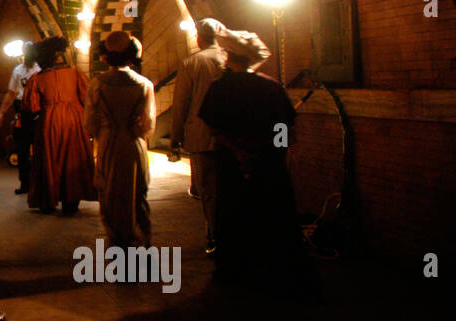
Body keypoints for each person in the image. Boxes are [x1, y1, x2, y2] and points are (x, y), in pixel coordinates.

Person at [198, 37, 319, 298]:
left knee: (234, 214)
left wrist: (241, 153)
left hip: (232, 163)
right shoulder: (271, 88)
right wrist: (267, 152)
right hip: (268, 164)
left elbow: (214, 127)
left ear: (230, 58)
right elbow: (284, 129)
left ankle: (237, 270)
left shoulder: (220, 88)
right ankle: (276, 269)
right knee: (272, 214)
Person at [84, 31, 156, 247]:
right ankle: (142, 243)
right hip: (134, 144)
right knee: (137, 195)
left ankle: (118, 245)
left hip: (109, 143)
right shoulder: (144, 84)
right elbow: (149, 123)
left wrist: (100, 134)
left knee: (109, 195)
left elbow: (89, 122)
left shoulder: (97, 84)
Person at [169, 19, 230, 252]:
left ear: (200, 37)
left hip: (201, 136)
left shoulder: (192, 62)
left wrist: (175, 137)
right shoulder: (230, 59)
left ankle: (215, 236)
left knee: (208, 190)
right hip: (231, 137)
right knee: (228, 187)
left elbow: (181, 103)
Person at [23, 36, 96, 214]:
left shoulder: (37, 78)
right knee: (73, 158)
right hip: (74, 119)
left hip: (49, 121)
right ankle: (71, 200)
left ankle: (48, 199)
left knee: (49, 158)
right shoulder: (74, 72)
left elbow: (30, 105)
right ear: (57, 55)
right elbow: (88, 96)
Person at [0, 41, 39, 194]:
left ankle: (38, 182)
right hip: (21, 110)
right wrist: (1, 112)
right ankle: (25, 182)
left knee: (39, 148)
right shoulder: (18, 70)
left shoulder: (40, 69)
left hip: (37, 111)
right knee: (22, 148)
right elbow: (11, 93)